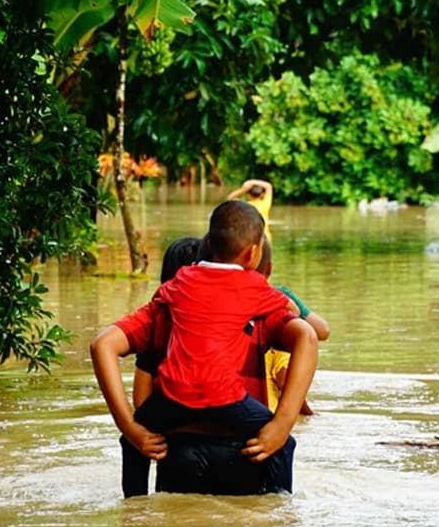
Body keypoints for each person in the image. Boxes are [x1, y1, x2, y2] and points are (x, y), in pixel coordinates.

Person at [90, 201, 319, 493]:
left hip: (174, 400)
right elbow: (310, 334)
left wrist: (131, 429)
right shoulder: (257, 292)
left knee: (132, 443)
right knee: (282, 444)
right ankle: (280, 515)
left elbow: (102, 345)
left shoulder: (174, 288)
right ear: (254, 252)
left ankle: (134, 513)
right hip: (227, 401)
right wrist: (282, 424)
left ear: (209, 244)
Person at [255, 236, 329, 415]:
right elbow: (322, 331)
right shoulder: (279, 306)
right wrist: (310, 415)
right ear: (269, 268)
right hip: (266, 417)